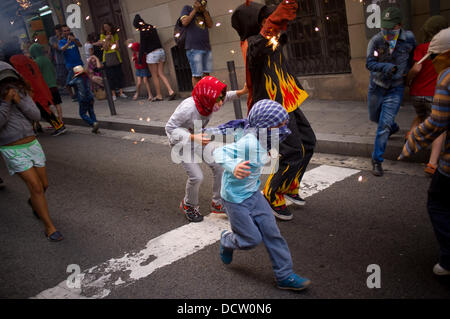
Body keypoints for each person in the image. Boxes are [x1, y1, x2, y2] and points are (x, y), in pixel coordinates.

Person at [213, 99, 311, 291]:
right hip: (235, 199)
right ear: (266, 126)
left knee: (273, 234)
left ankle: (284, 275)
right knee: (251, 240)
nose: (286, 128)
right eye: (280, 124)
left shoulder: (264, 138)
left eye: (285, 123)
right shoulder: (249, 142)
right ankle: (227, 240)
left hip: (254, 195)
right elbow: (219, 152)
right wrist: (234, 167)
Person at [231, 0, 316, 221]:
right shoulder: (251, 43)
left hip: (288, 99)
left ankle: (288, 184)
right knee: (293, 151)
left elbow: (279, 35)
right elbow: (258, 48)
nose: (266, 22)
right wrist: (272, 23)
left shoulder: (270, 37)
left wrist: (278, 21)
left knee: (308, 142)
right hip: (272, 106)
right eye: (261, 18)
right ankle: (272, 193)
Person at [399, 27, 450, 276]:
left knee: (438, 203)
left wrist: (411, 143)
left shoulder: (447, 77)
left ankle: (449, 261)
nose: (434, 63)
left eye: (436, 58)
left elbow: (437, 123)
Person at [165, 76, 247, 222]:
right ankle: (188, 205)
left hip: (198, 136)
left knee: (219, 165)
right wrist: (191, 137)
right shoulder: (188, 108)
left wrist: (242, 91)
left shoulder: (208, 100)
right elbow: (170, 128)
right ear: (206, 97)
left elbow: (225, 96)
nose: (221, 103)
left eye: (221, 99)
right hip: (181, 142)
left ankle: (217, 202)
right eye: (218, 100)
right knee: (197, 177)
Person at [0, 61, 63, 241]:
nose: (8, 85)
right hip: (11, 148)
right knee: (35, 187)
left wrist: (19, 101)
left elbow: (36, 116)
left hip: (32, 143)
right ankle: (49, 227)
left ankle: (34, 202)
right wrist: (5, 103)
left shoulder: (21, 92)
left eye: (10, 80)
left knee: (43, 186)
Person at [366, 7, 416, 176]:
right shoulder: (376, 40)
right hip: (377, 86)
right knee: (375, 117)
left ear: (399, 26)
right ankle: (392, 127)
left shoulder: (409, 39)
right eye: (384, 27)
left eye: (391, 28)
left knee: (383, 124)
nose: (386, 31)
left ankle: (376, 160)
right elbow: (369, 63)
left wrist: (407, 71)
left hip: (396, 88)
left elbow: (413, 58)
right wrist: (386, 67)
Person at [406, 15, 448, 176]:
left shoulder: (421, 48)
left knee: (421, 115)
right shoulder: (445, 49)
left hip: (417, 93)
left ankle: (411, 135)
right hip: (433, 94)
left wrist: (408, 81)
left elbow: (416, 69)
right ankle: (432, 163)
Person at [9, 47, 67, 136]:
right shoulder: (30, 60)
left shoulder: (14, 61)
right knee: (44, 109)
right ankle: (41, 127)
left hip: (30, 90)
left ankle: (58, 126)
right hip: (40, 87)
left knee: (35, 110)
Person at [132, 15, 176, 102]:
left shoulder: (142, 30)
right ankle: (171, 91)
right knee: (161, 73)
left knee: (155, 75)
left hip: (152, 54)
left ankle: (159, 95)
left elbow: (142, 46)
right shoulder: (151, 27)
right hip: (160, 51)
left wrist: (140, 59)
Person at [180, 0, 213, 88]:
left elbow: (210, 25)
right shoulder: (187, 8)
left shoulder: (205, 12)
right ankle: (198, 97)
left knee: (206, 73)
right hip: (193, 47)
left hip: (206, 47)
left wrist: (204, 11)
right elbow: (184, 22)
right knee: (197, 74)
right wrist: (195, 10)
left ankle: (206, 94)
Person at [29, 43, 64, 123]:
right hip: (53, 85)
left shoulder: (35, 62)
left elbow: (36, 76)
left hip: (45, 87)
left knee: (48, 105)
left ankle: (56, 123)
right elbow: (53, 71)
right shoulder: (47, 59)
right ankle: (61, 120)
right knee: (57, 103)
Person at [68, 65, 99, 134]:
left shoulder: (76, 80)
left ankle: (93, 123)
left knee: (82, 114)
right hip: (90, 97)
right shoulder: (87, 77)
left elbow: (68, 84)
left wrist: (72, 95)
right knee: (91, 111)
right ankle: (95, 124)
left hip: (83, 99)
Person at [100, 22, 127, 101]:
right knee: (110, 76)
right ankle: (113, 93)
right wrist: (107, 40)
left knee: (119, 74)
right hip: (107, 58)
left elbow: (117, 47)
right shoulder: (102, 36)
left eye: (107, 27)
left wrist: (110, 41)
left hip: (116, 56)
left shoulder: (115, 35)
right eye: (105, 27)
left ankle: (121, 92)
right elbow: (105, 48)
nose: (106, 29)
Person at [59, 25, 84, 102]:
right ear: (62, 33)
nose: (67, 32)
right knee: (69, 83)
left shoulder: (74, 39)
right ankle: (74, 96)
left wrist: (74, 40)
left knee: (80, 81)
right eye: (65, 31)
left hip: (78, 63)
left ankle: (81, 95)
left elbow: (80, 45)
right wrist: (68, 43)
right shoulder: (61, 41)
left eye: (68, 30)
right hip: (70, 65)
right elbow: (62, 49)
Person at [49, 24, 69, 94]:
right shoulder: (52, 39)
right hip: (60, 61)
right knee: (63, 78)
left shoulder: (66, 37)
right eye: (58, 31)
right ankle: (69, 92)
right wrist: (59, 38)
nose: (60, 32)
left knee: (71, 76)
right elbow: (57, 47)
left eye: (61, 31)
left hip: (68, 59)